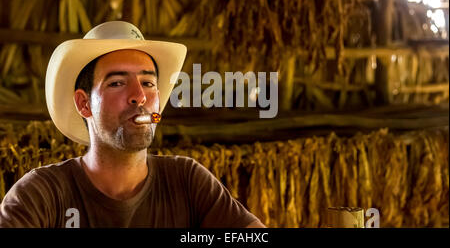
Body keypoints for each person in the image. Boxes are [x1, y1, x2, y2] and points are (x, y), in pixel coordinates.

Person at [0, 21, 265, 228]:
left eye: (149, 83)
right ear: (84, 104)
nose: (139, 95)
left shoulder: (187, 181)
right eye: (117, 83)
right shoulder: (42, 194)